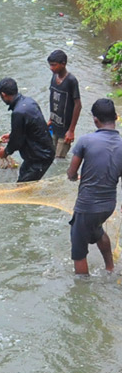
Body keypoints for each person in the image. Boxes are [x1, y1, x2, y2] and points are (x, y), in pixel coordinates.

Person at [66, 97, 122, 275]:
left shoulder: (85, 141)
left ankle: (82, 287)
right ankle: (110, 268)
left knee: (78, 250)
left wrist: (74, 177)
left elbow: (71, 173)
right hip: (108, 205)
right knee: (96, 229)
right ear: (115, 117)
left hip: (87, 205)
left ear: (95, 120)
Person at [0, 77, 55, 182]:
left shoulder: (18, 112)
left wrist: (5, 153)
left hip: (40, 157)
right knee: (23, 177)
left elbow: (16, 142)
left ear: (3, 94)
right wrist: (12, 135)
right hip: (40, 152)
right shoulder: (29, 102)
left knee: (23, 186)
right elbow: (32, 127)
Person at [47, 49, 81, 160]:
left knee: (59, 158)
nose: (51, 68)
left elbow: (78, 105)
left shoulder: (71, 81)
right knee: (51, 154)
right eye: (50, 65)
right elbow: (53, 98)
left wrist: (71, 130)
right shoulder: (54, 77)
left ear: (63, 64)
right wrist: (50, 118)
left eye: (54, 65)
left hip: (65, 129)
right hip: (54, 124)